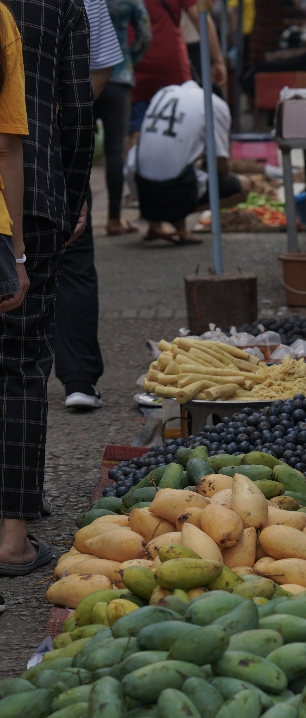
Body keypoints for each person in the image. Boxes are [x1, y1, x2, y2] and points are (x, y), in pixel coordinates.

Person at [0, 0, 92, 575]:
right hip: (30, 195)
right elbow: (77, 107)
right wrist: (73, 189)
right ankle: (12, 539)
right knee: (20, 365)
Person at [54, 0, 123, 414]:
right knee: (73, 254)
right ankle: (78, 381)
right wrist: (62, 111)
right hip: (60, 138)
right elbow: (103, 65)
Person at [132, 79, 247, 244]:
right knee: (243, 186)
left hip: (142, 192)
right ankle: (175, 218)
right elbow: (222, 166)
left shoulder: (165, 92)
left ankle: (156, 224)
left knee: (172, 163)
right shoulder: (215, 105)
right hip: (171, 192)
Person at [95, 0, 152, 236]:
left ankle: (78, 216)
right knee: (115, 151)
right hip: (119, 76)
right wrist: (129, 59)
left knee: (79, 149)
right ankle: (114, 218)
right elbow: (145, 35)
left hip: (86, 75)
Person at [131, 0, 225, 134]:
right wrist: (217, 61)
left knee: (136, 129)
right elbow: (200, 18)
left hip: (135, 62)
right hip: (171, 62)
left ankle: (135, 153)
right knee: (180, 123)